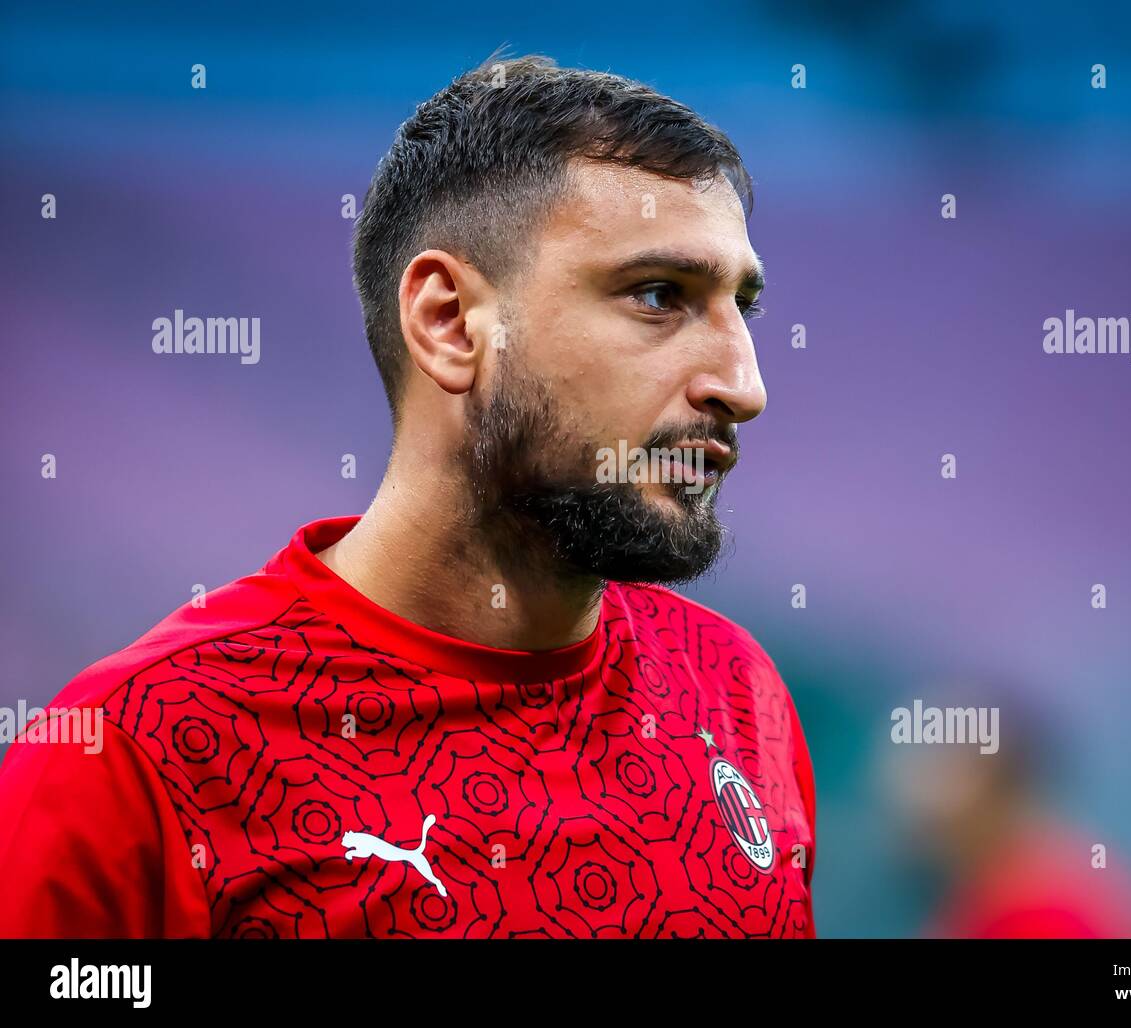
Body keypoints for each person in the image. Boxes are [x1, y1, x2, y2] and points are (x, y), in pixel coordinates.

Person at [0, 54, 815, 939]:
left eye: (744, 306)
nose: (744, 384)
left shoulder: (737, 693)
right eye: (660, 296)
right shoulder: (132, 752)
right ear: (450, 323)